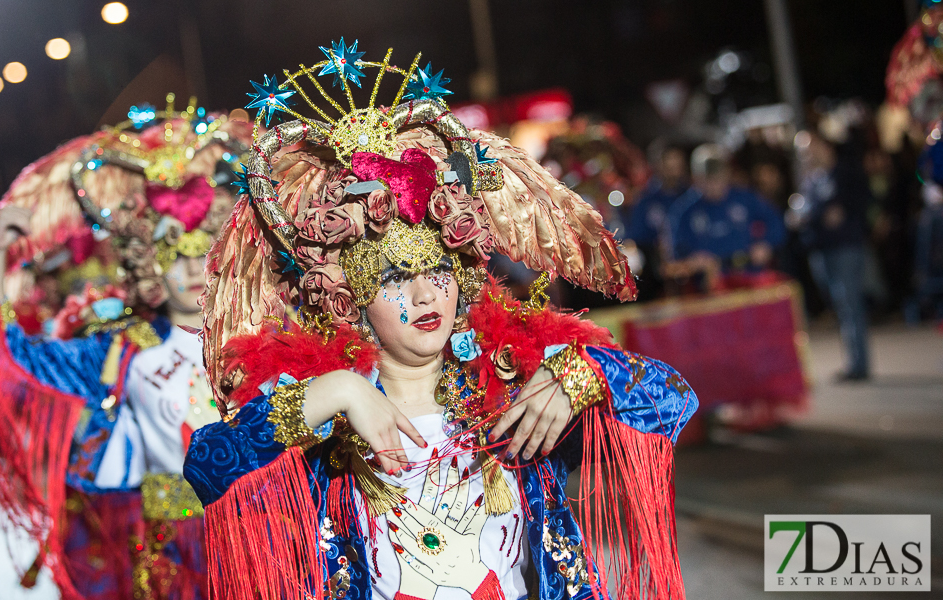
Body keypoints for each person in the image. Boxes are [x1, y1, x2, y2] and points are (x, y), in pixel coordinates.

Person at [183, 43, 698, 600]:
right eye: (393, 280)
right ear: (349, 299)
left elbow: (671, 398)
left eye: (437, 270)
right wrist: (339, 389)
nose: (426, 294)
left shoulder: (508, 386)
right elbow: (210, 467)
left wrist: (584, 374)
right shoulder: (325, 423)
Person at [0, 105, 247, 599]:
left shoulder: (262, 334)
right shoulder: (122, 350)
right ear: (146, 264)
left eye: (203, 252)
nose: (192, 269)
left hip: (261, 532)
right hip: (174, 548)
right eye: (175, 255)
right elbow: (14, 357)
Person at [795, 131, 873, 381]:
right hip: (821, 249)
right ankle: (853, 361)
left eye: (810, 148)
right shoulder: (811, 180)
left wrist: (845, 211)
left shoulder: (845, 172)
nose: (807, 155)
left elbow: (865, 198)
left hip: (845, 246)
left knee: (850, 304)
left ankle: (859, 365)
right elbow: (807, 211)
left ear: (824, 146)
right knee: (839, 305)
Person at [667, 144, 786, 289]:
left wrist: (766, 243)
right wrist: (693, 261)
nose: (714, 185)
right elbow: (675, 254)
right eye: (708, 180)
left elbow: (775, 220)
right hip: (709, 283)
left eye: (718, 178)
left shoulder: (743, 198)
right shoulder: (683, 211)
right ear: (696, 179)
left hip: (748, 272)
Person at [626, 144, 690, 299]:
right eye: (669, 165)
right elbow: (638, 238)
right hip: (659, 275)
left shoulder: (691, 196)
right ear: (658, 166)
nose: (674, 170)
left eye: (677, 165)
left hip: (691, 266)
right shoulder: (646, 201)